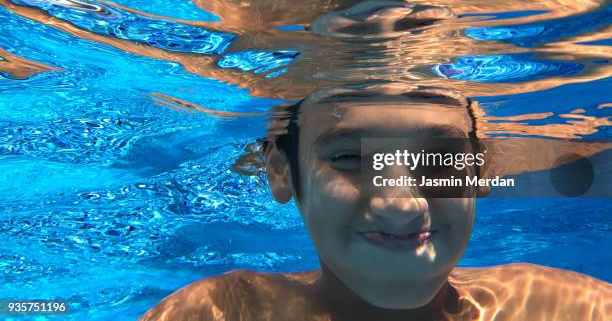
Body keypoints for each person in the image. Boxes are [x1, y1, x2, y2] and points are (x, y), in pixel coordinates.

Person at [141, 84, 611, 320]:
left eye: (440, 157)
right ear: (281, 171)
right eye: (349, 157)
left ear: (479, 168)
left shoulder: (570, 310)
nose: (401, 206)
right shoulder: (222, 313)